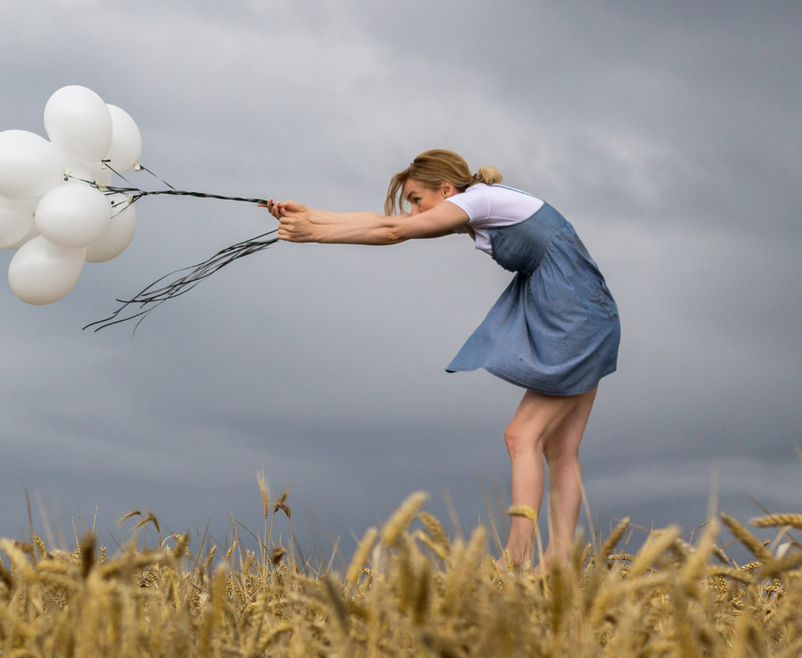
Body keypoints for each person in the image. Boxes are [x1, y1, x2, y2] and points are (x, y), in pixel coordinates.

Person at [264, 149, 620, 567]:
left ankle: (517, 559)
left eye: (417, 199)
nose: (414, 211)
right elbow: (388, 223)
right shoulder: (478, 206)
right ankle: (558, 565)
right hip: (587, 313)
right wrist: (311, 216)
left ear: (447, 190)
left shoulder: (478, 201)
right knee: (561, 449)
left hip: (576, 317)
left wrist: (314, 234)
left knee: (521, 436)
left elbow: (393, 231)